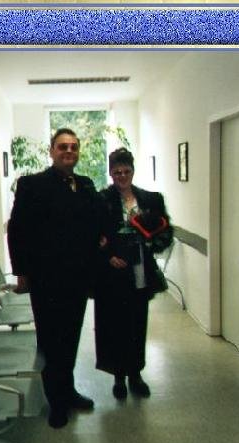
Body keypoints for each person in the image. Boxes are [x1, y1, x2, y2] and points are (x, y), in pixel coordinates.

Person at [7, 128, 101, 428]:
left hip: (78, 280)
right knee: (51, 342)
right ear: (51, 151)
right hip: (46, 280)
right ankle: (56, 402)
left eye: (73, 147)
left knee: (71, 338)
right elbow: (17, 231)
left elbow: (95, 223)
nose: (68, 151)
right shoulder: (32, 185)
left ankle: (68, 391)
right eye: (63, 146)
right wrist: (21, 274)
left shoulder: (85, 185)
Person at [94, 147, 173, 400]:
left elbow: (166, 232)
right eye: (117, 172)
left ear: (133, 171)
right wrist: (108, 256)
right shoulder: (100, 199)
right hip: (112, 272)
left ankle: (135, 374)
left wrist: (151, 244)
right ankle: (118, 376)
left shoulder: (150, 199)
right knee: (114, 324)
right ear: (110, 173)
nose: (122, 176)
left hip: (139, 269)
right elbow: (91, 235)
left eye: (126, 171)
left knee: (137, 322)